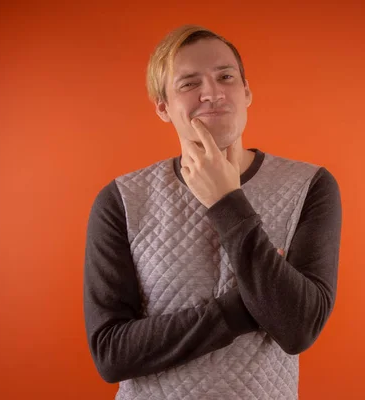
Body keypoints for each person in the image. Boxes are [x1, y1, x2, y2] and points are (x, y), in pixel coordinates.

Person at [83, 24, 342, 399]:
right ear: (163, 107)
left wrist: (226, 202)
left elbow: (298, 328)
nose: (212, 93)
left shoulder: (311, 186)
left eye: (226, 77)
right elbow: (111, 353)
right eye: (189, 84)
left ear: (247, 91)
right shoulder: (121, 200)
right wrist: (250, 302)